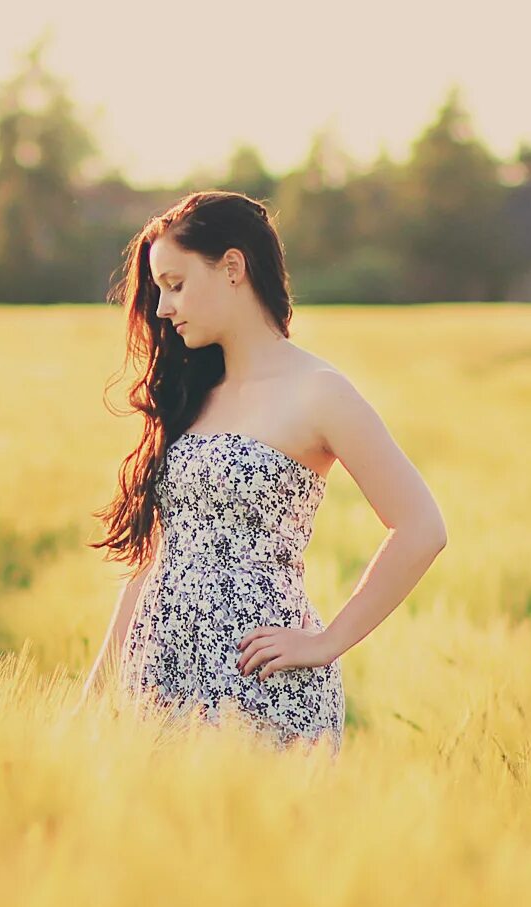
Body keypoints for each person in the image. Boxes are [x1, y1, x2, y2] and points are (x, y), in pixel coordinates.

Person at [77, 190, 449, 755]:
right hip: (157, 681)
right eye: (158, 291)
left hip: (261, 687)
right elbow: (156, 557)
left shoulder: (319, 392)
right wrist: (96, 692)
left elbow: (422, 527)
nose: (161, 308)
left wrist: (328, 643)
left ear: (232, 268)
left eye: (175, 285)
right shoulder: (192, 395)